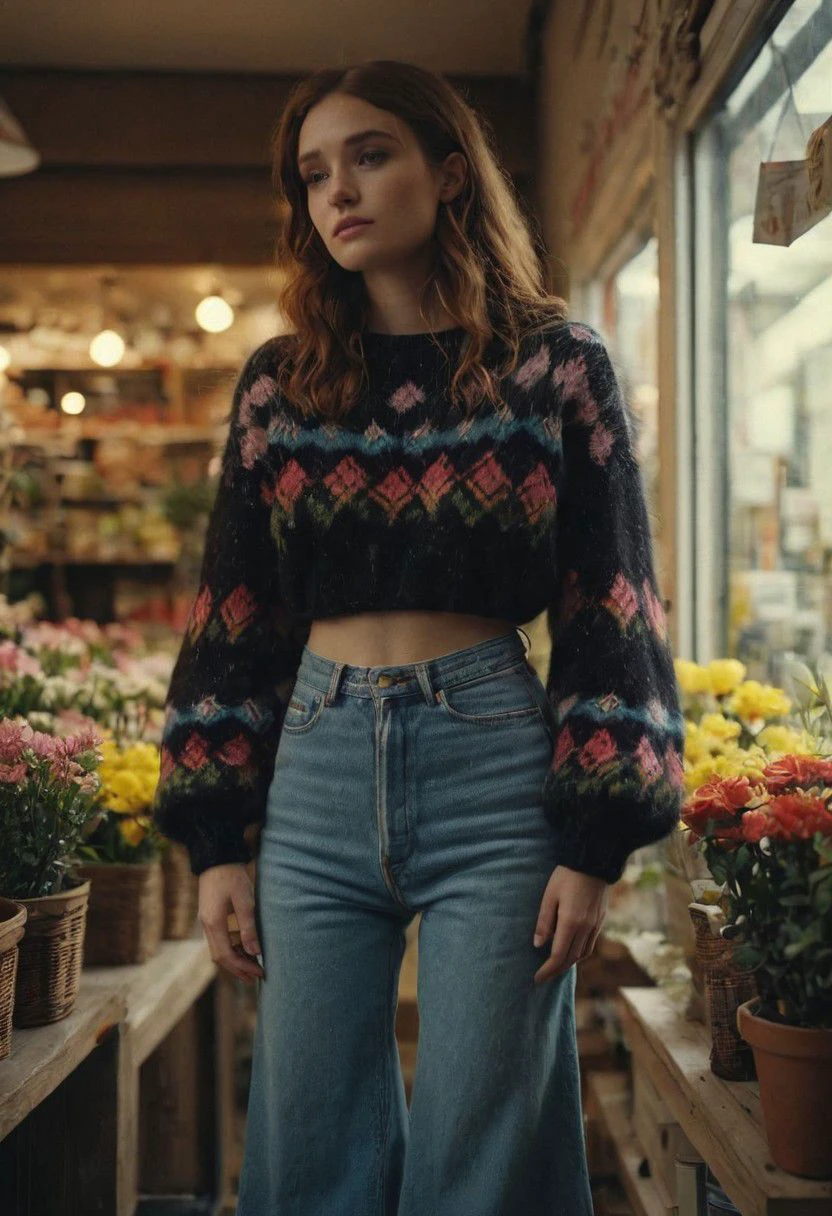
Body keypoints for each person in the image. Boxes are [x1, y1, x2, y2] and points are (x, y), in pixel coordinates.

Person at [152, 58, 685, 1216]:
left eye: (370, 155)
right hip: (315, 769)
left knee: (484, 1139)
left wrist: (596, 842)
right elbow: (231, 617)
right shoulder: (278, 388)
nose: (335, 191)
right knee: (305, 1135)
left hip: (493, 764)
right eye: (311, 175)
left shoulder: (557, 366)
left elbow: (614, 603)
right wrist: (217, 840)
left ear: (452, 175)